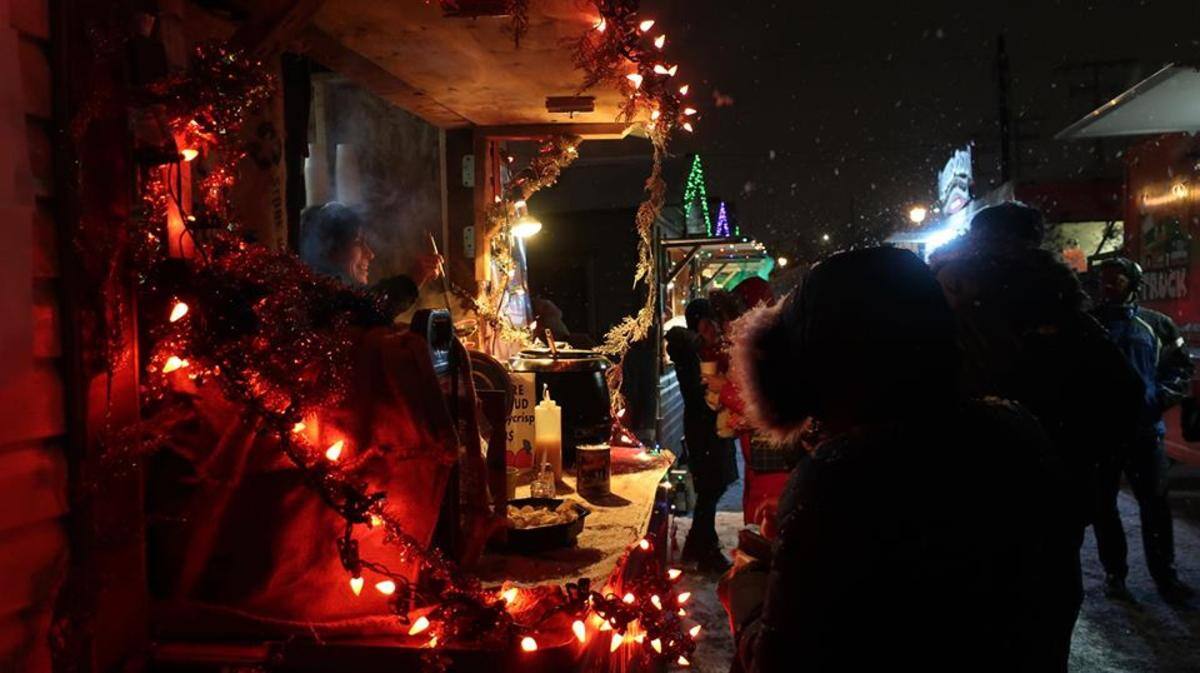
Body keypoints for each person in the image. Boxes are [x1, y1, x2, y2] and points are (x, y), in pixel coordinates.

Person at [724, 247, 1064, 672]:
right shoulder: (1017, 437)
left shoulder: (845, 477)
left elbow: (787, 660)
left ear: (814, 360)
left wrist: (753, 599)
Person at [929, 202, 1144, 669]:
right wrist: (1079, 458)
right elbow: (1125, 395)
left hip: (956, 492)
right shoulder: (1058, 302)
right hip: (1049, 496)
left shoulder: (936, 300)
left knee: (964, 626)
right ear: (1034, 240)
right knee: (1042, 625)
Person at [1091, 257, 1194, 603]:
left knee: (1156, 505)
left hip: (1146, 432)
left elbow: (1180, 370)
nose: (1109, 284)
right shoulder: (1088, 324)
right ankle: (1114, 575)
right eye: (1104, 278)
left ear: (1132, 282)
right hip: (1101, 435)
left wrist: (1161, 397)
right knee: (1104, 506)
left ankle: (1165, 577)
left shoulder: (1157, 325)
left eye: (1117, 278)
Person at [665, 298, 739, 573]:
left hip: (712, 426)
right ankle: (705, 550)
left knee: (713, 487)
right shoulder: (688, 350)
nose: (714, 327)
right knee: (710, 488)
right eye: (707, 321)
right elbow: (702, 395)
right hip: (702, 427)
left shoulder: (703, 349)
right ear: (697, 324)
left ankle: (698, 545)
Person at [300, 202, 442, 315]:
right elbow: (367, 308)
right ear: (331, 250)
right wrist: (413, 279)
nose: (370, 254)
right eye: (358, 242)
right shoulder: (322, 300)